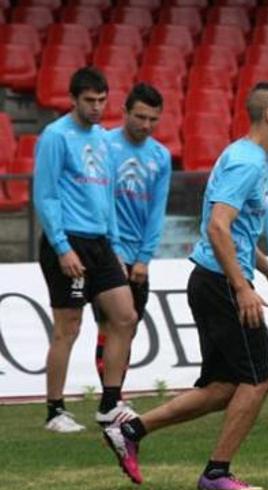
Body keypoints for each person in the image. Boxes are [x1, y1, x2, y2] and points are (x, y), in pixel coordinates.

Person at [101, 82, 268, 490]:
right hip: (221, 284)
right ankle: (216, 473)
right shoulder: (247, 163)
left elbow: (235, 231)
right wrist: (243, 287)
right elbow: (217, 226)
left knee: (223, 387)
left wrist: (265, 271)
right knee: (260, 378)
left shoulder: (243, 154)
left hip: (213, 279)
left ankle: (131, 430)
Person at [34, 66, 139, 433]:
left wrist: (116, 245)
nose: (96, 107)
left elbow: (106, 193)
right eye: (89, 101)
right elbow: (44, 195)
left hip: (101, 243)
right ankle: (54, 410)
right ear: (73, 99)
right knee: (69, 326)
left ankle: (110, 402)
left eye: (101, 100)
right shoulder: (55, 136)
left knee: (125, 316)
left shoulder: (103, 138)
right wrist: (62, 247)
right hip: (68, 241)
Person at [93, 83, 171, 387]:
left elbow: (156, 210)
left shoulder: (161, 156)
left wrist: (145, 257)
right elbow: (101, 200)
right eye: (140, 117)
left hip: (138, 256)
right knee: (111, 324)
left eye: (153, 119)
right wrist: (111, 248)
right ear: (124, 112)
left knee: (129, 327)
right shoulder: (103, 145)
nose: (146, 125)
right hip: (107, 251)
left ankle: (114, 394)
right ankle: (111, 397)